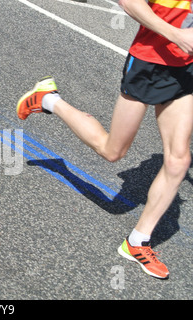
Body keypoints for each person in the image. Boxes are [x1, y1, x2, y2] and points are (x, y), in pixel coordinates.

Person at [16, 0, 193, 279]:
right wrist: (176, 35)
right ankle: (48, 100)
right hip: (150, 63)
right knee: (112, 151)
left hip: (185, 68)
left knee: (179, 160)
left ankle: (137, 243)